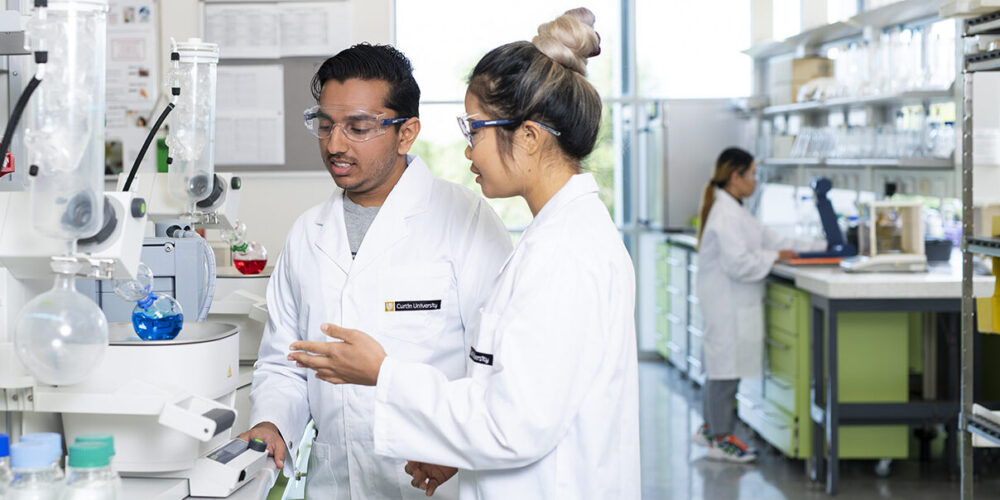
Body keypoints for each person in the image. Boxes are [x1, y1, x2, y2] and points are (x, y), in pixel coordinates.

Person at [285, 8, 641, 500]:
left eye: (474, 128)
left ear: (530, 136)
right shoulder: (552, 240)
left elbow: (511, 423)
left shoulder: (567, 255)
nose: (468, 149)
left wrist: (383, 374)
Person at [239, 43, 513, 499]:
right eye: (325, 125)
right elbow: (284, 362)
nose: (335, 144)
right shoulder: (308, 233)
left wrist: (459, 445)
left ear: (406, 133)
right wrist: (271, 424)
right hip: (335, 483)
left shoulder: (466, 221)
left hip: (434, 481)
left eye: (358, 127)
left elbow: (494, 364)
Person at [693, 147, 825, 463]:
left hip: (732, 303)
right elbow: (740, 263)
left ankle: (712, 429)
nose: (755, 181)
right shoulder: (725, 214)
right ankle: (720, 439)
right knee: (724, 372)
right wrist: (775, 257)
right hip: (727, 304)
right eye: (751, 174)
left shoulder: (735, 209)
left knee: (723, 369)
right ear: (735, 176)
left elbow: (770, 239)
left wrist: (819, 247)